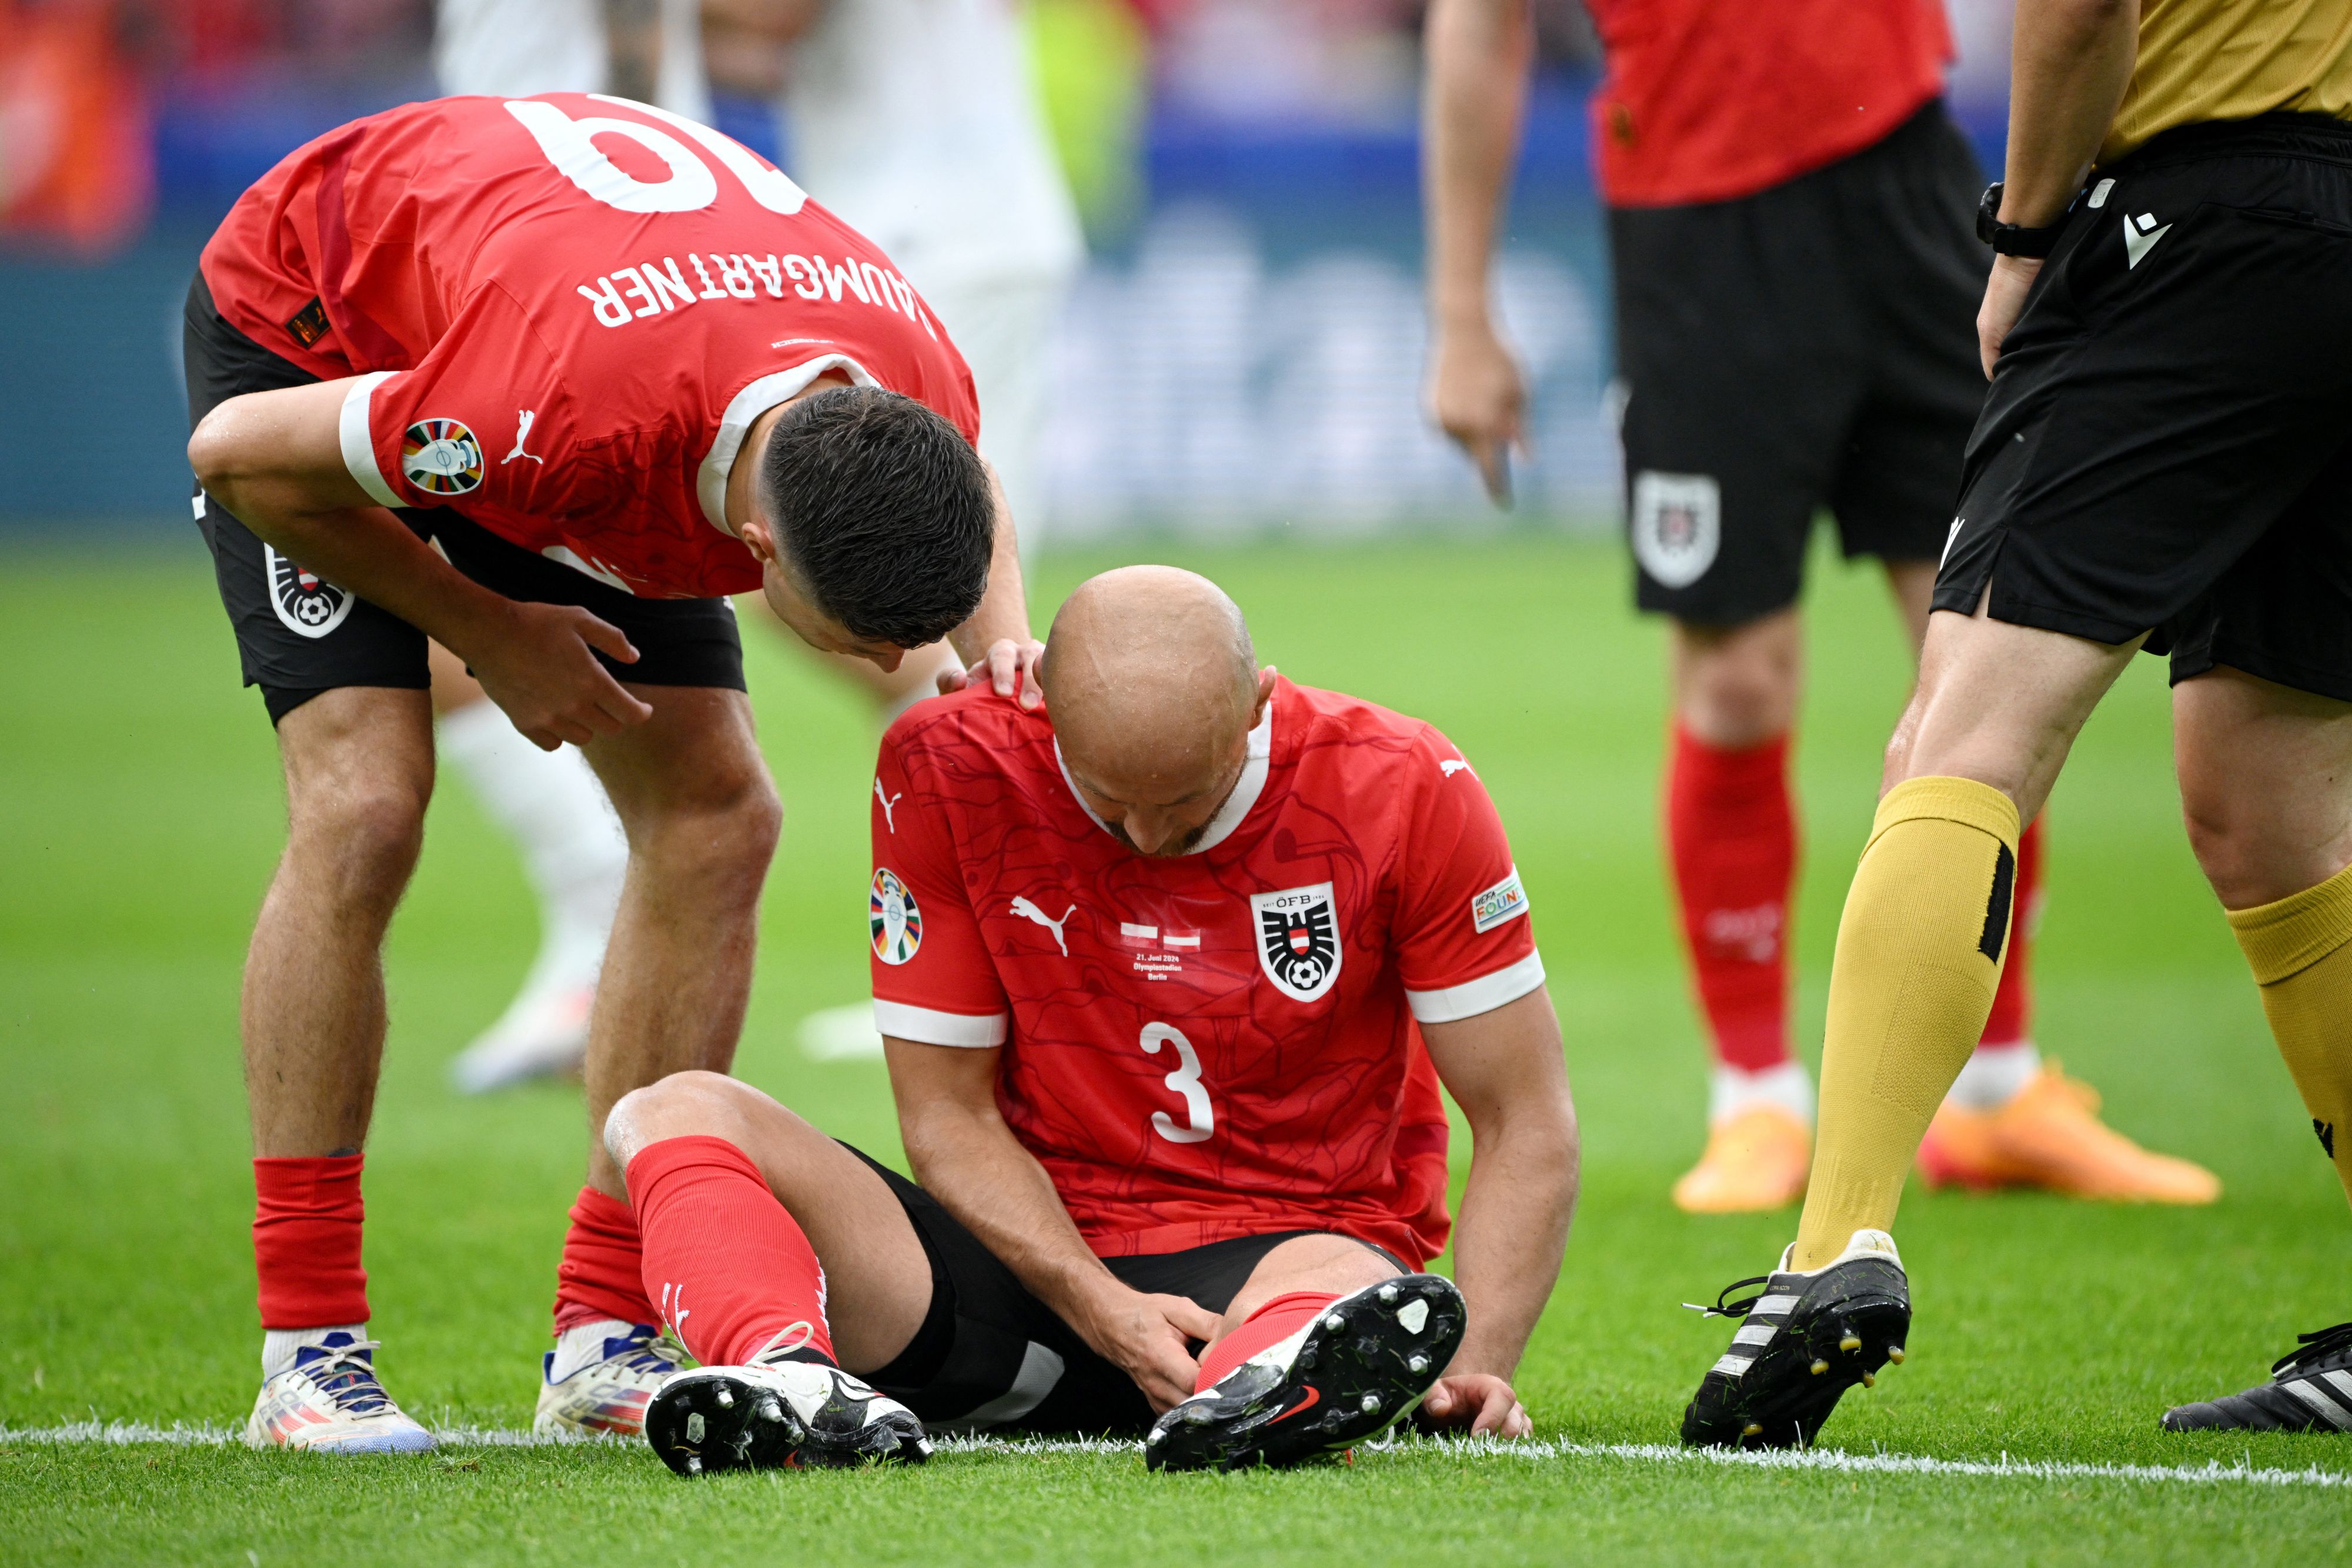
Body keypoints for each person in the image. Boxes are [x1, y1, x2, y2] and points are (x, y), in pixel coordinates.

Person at [185, 91, 1041, 1452]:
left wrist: (1000, 650)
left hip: (601, 343)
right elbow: (234, 463)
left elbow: (973, 489)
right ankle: (309, 1354)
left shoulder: (907, 376)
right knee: (366, 805)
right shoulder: (543, 414)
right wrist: (488, 630)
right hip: (331, 331)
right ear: (758, 544)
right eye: (866, 642)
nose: (892, 663)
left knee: (716, 813)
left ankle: (604, 1332)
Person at [1678, 0, 2352, 1447]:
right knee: (2267, 802)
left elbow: (2081, 9)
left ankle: (1829, 1250)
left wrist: (2024, 238)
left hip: (2197, 219)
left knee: (1953, 741)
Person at [1421, 0, 2217, 1215]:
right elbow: (1476, 30)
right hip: (1695, 225)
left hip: (1908, 185)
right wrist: (1461, 315)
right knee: (1738, 682)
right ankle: (1753, 1097)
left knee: (1990, 650)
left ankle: (1993, 1086)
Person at [602, 566, 1579, 1472]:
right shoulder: (951, 762)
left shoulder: (1404, 785)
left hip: (1291, 1251)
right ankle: (796, 1385)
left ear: (1260, 703)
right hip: (1026, 1269)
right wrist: (1099, 1304)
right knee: (674, 1109)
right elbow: (948, 1115)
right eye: (1110, 803)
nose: (1150, 839)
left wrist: (1474, 1371)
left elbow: (1523, 1117)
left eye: (1187, 802)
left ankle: (1256, 1390)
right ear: (1045, 710)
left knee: (1335, 1285)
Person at [426, 0, 714, 1095]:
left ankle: (600, 915)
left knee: (441, 586)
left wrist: (620, 192)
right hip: (545, 207)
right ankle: (594, 933)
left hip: (563, 225)